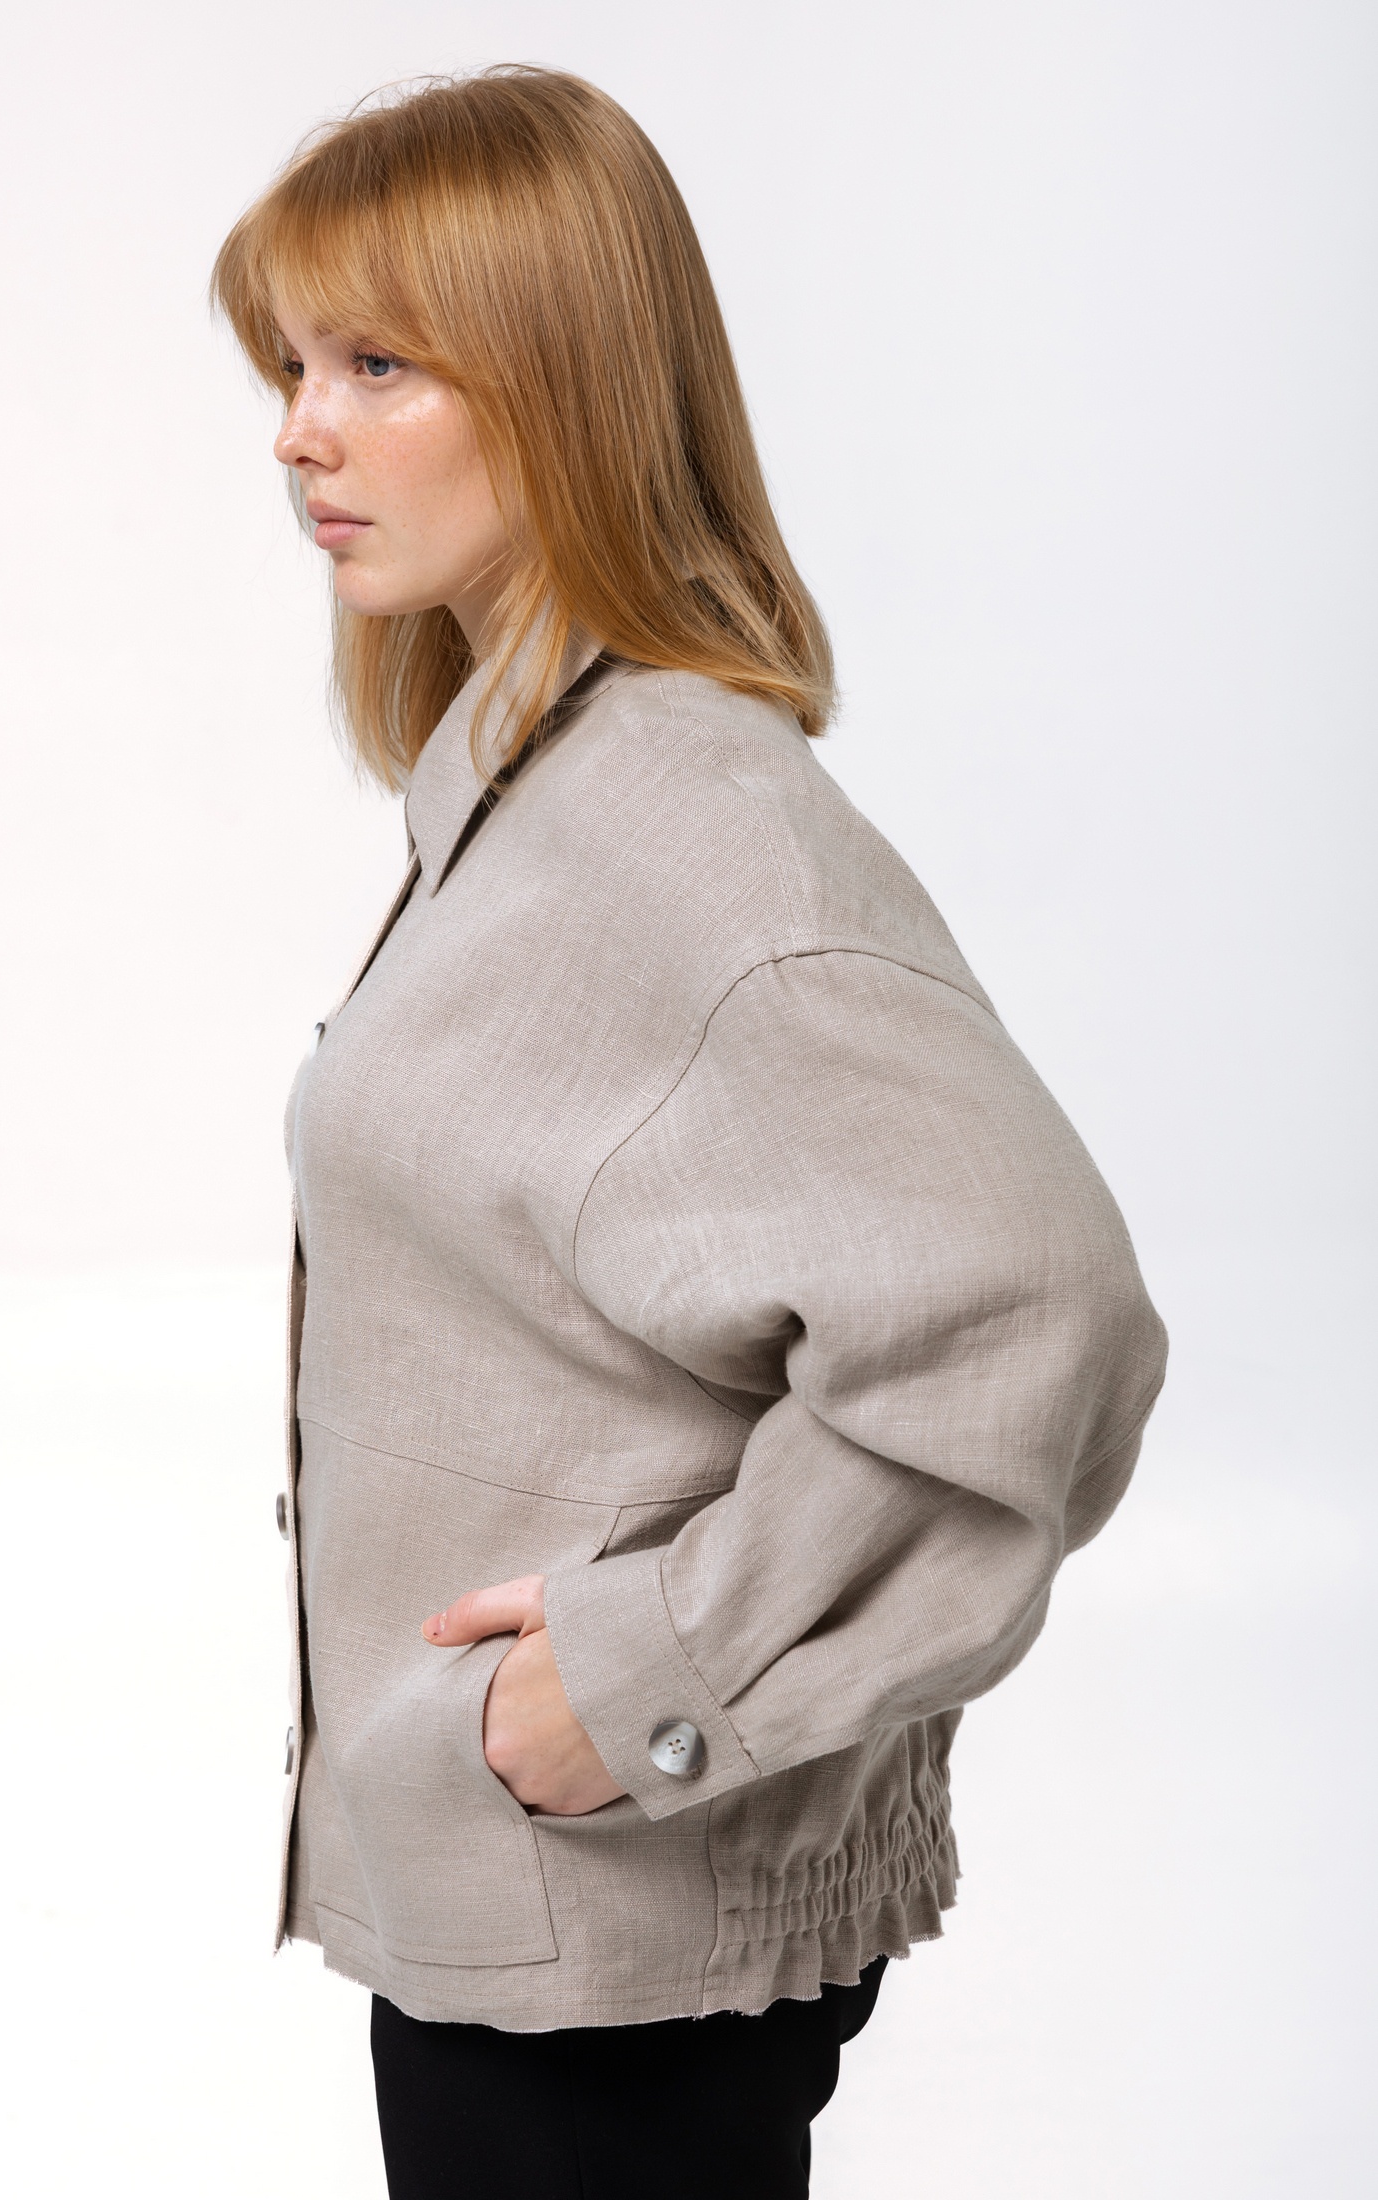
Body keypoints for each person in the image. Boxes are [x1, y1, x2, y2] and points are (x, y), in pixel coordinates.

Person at [211, 65, 1167, 2198]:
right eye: (287, 365)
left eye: (376, 363)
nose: (298, 430)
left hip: (610, 1935)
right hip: (536, 1893)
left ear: (560, 376)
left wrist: (650, 1680)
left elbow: (1041, 1323)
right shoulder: (528, 789)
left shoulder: (690, 835)